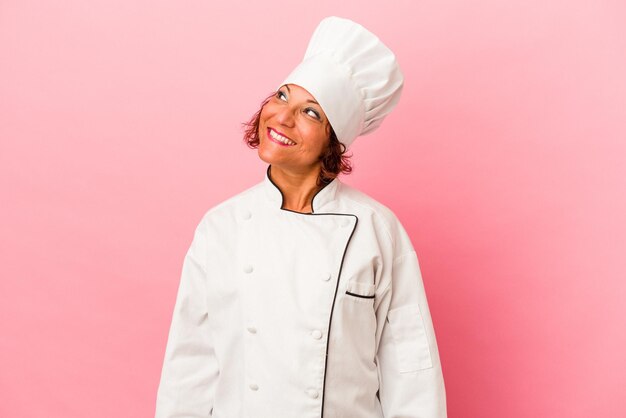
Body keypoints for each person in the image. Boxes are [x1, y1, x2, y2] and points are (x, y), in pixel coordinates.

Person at [155, 16, 447, 418]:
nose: (282, 117)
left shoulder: (377, 230)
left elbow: (411, 371)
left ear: (334, 140)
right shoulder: (221, 227)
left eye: (310, 112)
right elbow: (189, 365)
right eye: (281, 96)